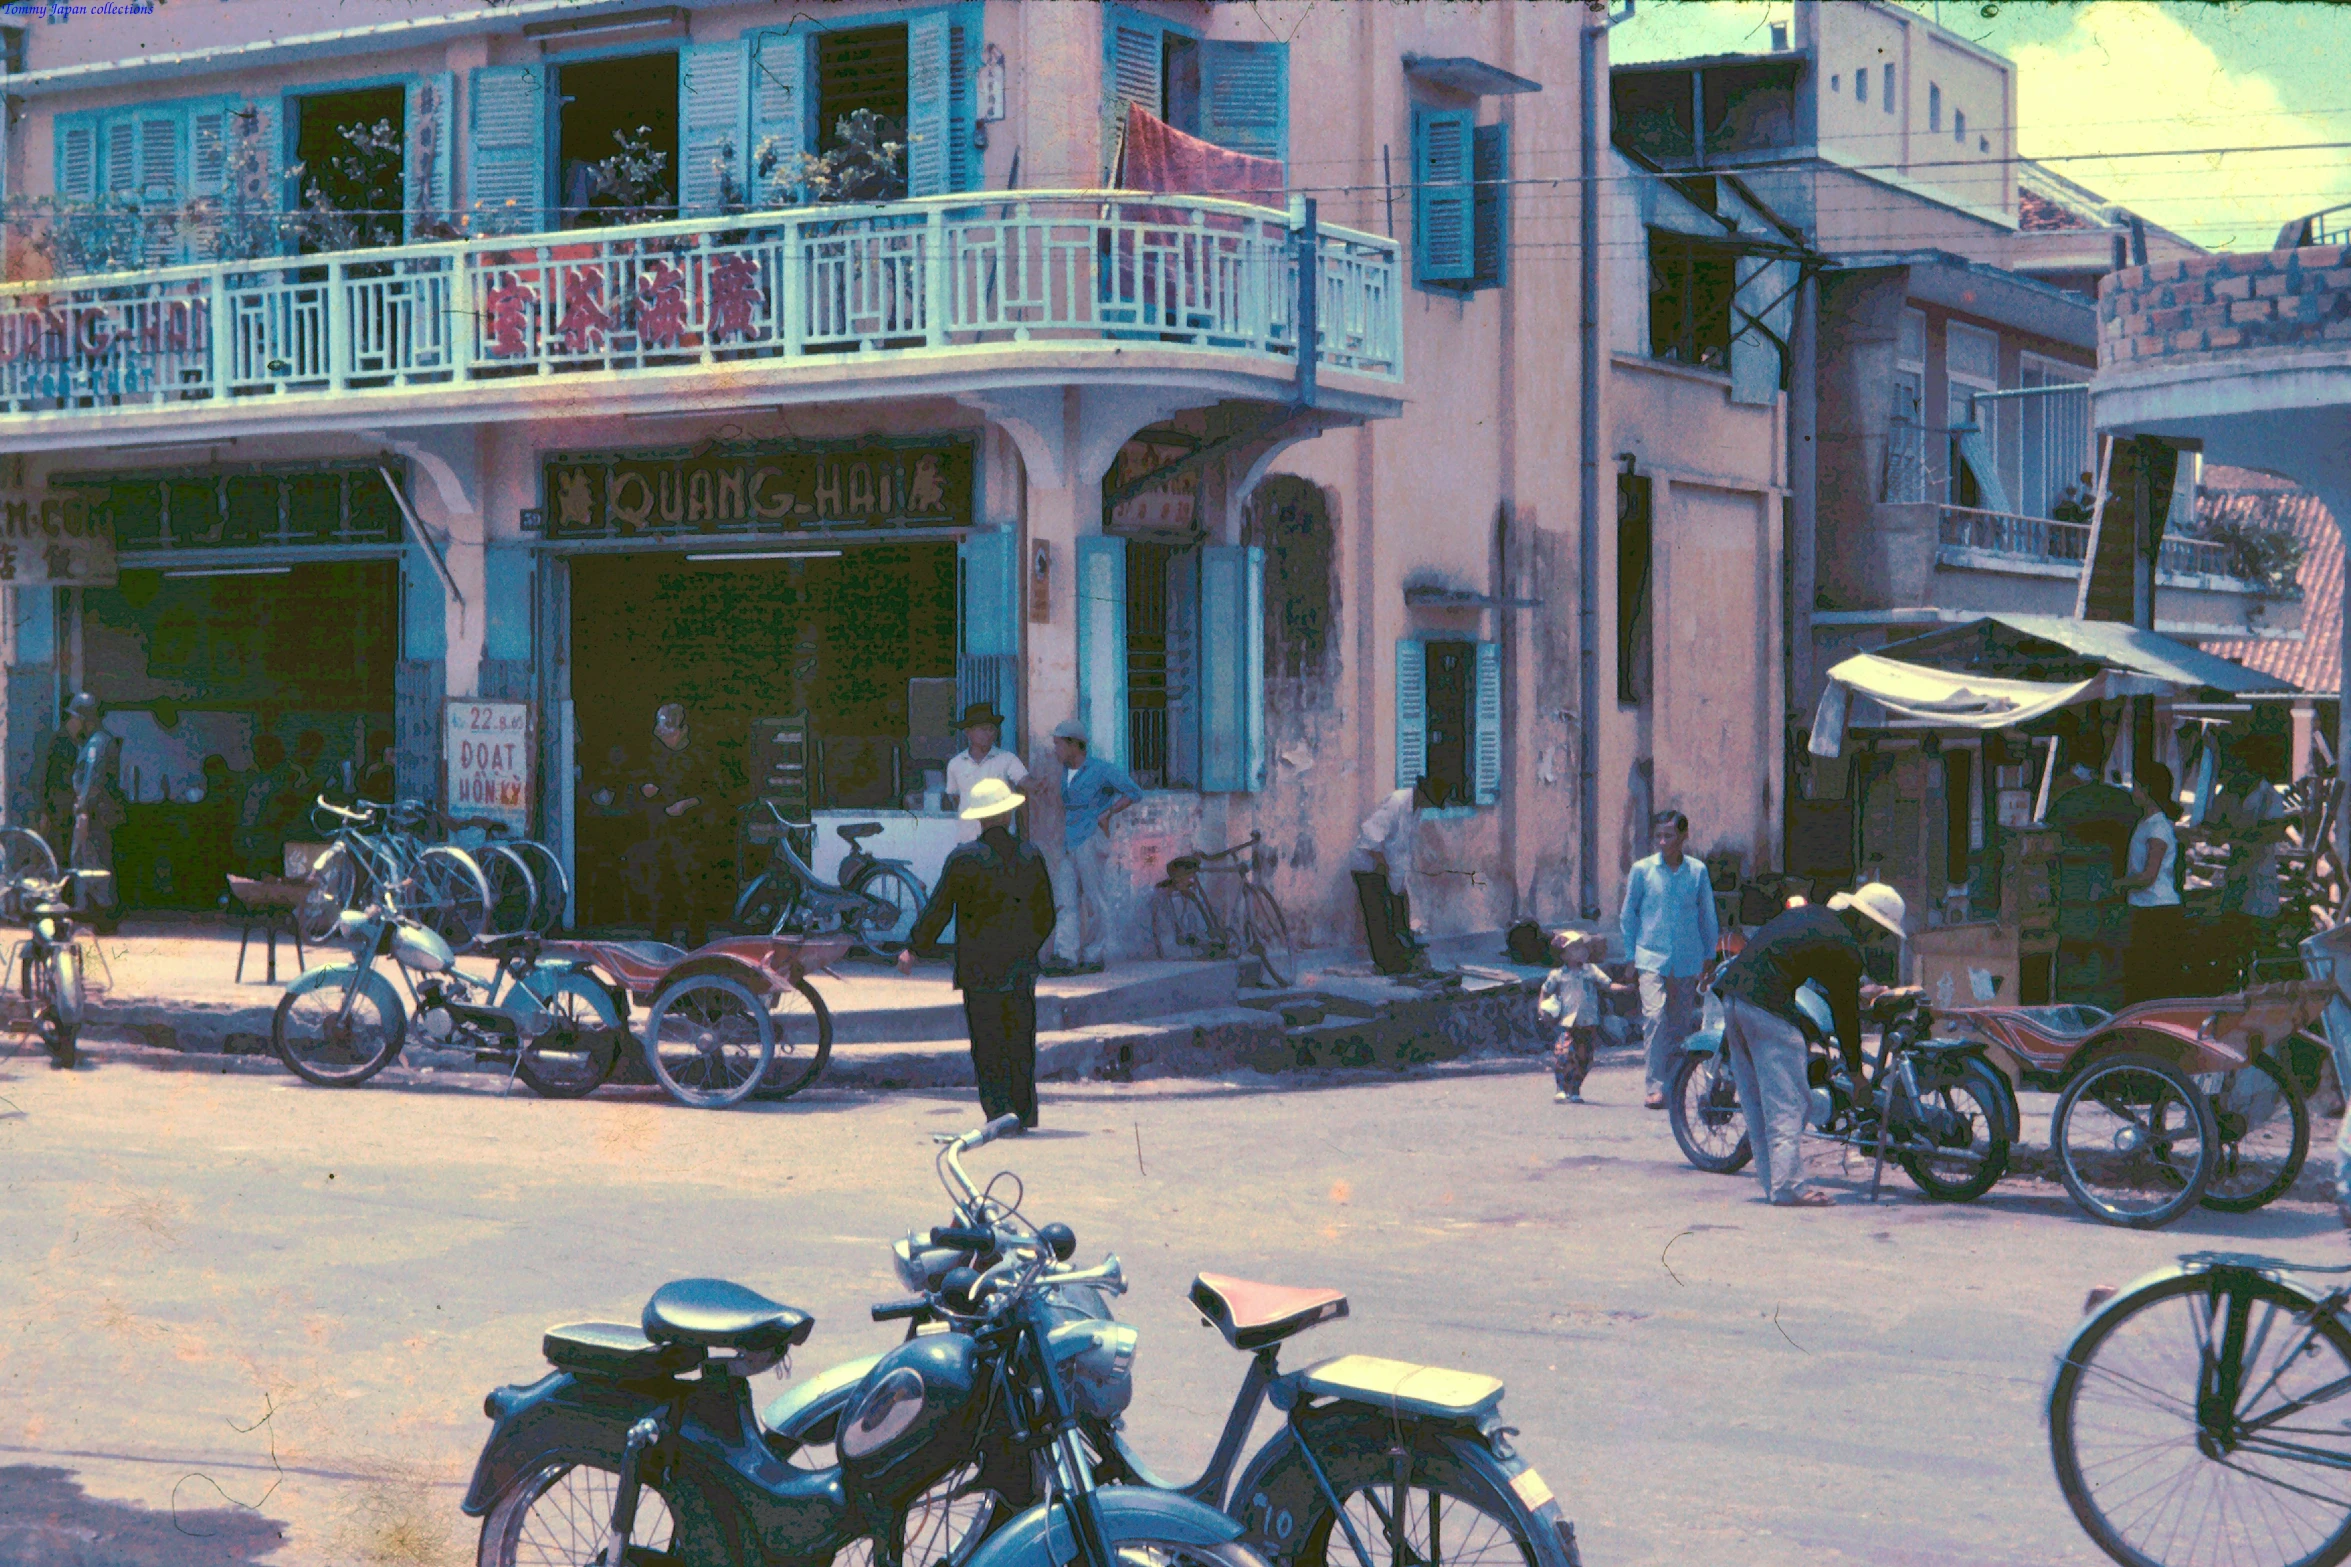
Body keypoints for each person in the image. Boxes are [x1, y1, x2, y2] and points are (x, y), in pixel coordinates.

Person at [1708, 882, 1906, 1207]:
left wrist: (1857, 988)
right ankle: (1788, 1188)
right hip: (1766, 1004)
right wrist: (1857, 1076)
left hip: (1733, 995)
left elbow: (1818, 969)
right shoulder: (1844, 945)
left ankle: (1775, 1183)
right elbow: (1846, 1018)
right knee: (1788, 1102)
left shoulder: (1815, 917)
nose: (1879, 939)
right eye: (1881, 932)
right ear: (1868, 923)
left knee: (1757, 1101)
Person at [900, 777, 1059, 1131]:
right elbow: (1046, 914)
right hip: (1019, 968)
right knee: (1020, 1042)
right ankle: (1024, 1112)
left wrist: (914, 947)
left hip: (978, 970)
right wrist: (1027, 948)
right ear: (1008, 814)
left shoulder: (963, 859)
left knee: (987, 1045)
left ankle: (998, 1115)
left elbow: (938, 909)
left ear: (981, 819)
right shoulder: (1031, 856)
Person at [1620, 809, 1721, 1110]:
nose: (1663, 842)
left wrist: (1709, 955)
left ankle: (1674, 1085)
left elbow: (1707, 915)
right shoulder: (1642, 870)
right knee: (1654, 1016)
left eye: (1669, 836)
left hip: (1687, 959)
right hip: (1650, 956)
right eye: (1659, 836)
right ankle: (1654, 1085)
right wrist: (1630, 955)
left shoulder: (1697, 871)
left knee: (1679, 1024)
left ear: (1684, 837)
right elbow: (1629, 915)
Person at [1044, 718, 1141, 976]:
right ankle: (1065, 954)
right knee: (1065, 899)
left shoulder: (1100, 769)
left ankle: (1094, 953)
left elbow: (1133, 792)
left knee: (1094, 899)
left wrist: (1107, 812)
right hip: (1069, 838)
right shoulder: (1066, 771)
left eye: (1059, 745)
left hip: (1090, 836)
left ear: (1074, 745)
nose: (1056, 750)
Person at [641, 702, 719, 949]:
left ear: (683, 730)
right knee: (660, 886)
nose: (662, 735)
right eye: (661, 729)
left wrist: (688, 804)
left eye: (669, 729)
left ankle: (696, 941)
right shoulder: (654, 756)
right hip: (661, 830)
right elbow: (637, 783)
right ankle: (660, 940)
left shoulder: (699, 758)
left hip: (691, 834)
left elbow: (715, 794)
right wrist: (647, 789)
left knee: (692, 888)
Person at [1349, 776, 1444, 975]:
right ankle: (1385, 964)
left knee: (1400, 913)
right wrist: (1385, 875)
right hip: (1370, 863)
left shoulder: (1415, 811)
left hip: (1391, 868)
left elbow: (1401, 849)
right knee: (1378, 915)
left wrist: (1398, 884)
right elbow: (1371, 840)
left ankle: (1400, 958)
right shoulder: (1396, 803)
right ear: (1421, 793)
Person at [2122, 761, 2184, 1004]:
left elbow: (2148, 876)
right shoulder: (2147, 823)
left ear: (2147, 790)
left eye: (2136, 787)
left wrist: (2116, 885)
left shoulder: (2157, 827)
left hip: (2157, 910)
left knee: (2153, 981)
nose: (2133, 792)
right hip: (2148, 907)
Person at [1541, 932, 1629, 1104]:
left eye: (1582, 947)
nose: (1581, 951)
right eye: (1575, 948)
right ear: (1564, 955)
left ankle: (1575, 1089)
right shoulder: (1558, 975)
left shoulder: (1591, 970)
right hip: (1567, 1022)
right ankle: (1561, 1088)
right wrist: (1542, 1008)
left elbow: (1607, 984)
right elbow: (1545, 990)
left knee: (1585, 1057)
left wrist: (1626, 988)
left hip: (1588, 1021)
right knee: (1563, 1056)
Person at [66, 693, 124, 927]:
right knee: (87, 861)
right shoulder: (93, 741)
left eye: (75, 717)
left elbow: (92, 781)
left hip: (94, 814)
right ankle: (94, 911)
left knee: (93, 862)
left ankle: (104, 913)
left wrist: (83, 811)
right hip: (94, 812)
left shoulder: (97, 744)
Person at [944, 702, 1028, 813]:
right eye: (983, 729)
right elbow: (955, 796)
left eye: (991, 729)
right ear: (968, 732)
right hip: (968, 828)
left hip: (999, 827)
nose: (989, 734)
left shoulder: (1007, 759)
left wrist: (1037, 785)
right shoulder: (955, 764)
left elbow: (1023, 779)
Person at [41, 700, 84, 860]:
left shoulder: (74, 742)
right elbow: (52, 777)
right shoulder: (62, 742)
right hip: (60, 808)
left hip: (65, 808)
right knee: (60, 853)